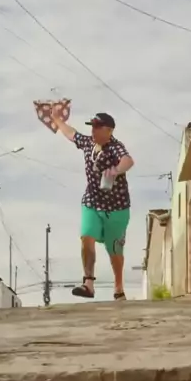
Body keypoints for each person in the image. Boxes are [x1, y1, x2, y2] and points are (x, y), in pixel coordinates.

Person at [51, 109, 135, 300]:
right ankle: (88, 283)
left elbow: (128, 160)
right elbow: (71, 134)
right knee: (86, 236)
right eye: (92, 127)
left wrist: (116, 170)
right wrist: (57, 119)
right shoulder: (89, 143)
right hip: (92, 201)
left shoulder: (115, 147)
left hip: (116, 207)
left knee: (115, 250)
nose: (93, 131)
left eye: (97, 127)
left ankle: (118, 286)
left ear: (109, 130)